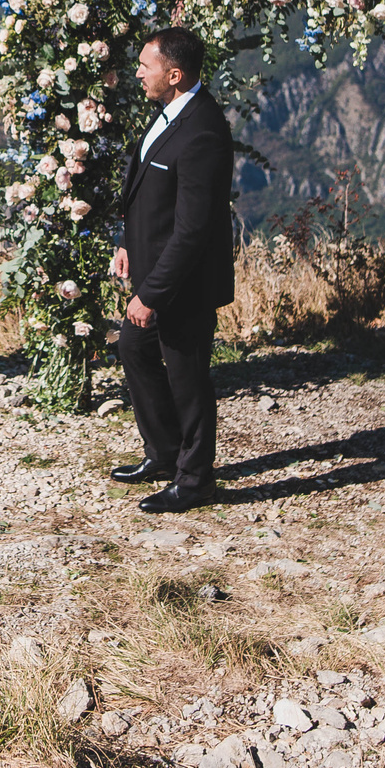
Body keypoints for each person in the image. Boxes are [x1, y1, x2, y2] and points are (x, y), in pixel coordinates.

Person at [107, 26, 235, 516]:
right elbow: (146, 189)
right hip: (154, 270)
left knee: (188, 377)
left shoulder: (203, 129)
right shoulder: (169, 113)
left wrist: (152, 293)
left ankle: (195, 479)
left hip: (184, 281)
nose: (138, 72)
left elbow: (193, 229)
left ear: (175, 75)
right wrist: (126, 245)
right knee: (132, 348)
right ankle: (163, 453)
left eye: (146, 65)